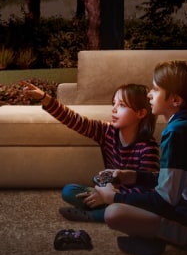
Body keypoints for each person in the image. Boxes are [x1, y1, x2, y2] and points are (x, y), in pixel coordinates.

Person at [94, 59, 187, 255]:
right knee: (127, 205)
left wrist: (113, 197)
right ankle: (149, 233)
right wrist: (134, 176)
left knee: (114, 213)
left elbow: (164, 201)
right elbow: (180, 181)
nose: (149, 94)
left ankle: (156, 237)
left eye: (155, 89)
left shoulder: (177, 133)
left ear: (176, 100)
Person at [21, 80, 160, 223]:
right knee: (69, 191)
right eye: (114, 104)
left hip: (130, 200)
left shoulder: (148, 147)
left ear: (141, 113)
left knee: (137, 209)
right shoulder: (106, 131)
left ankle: (95, 215)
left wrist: (112, 196)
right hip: (107, 191)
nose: (114, 109)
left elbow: (147, 190)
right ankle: (103, 209)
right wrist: (45, 98)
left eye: (122, 105)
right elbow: (74, 120)